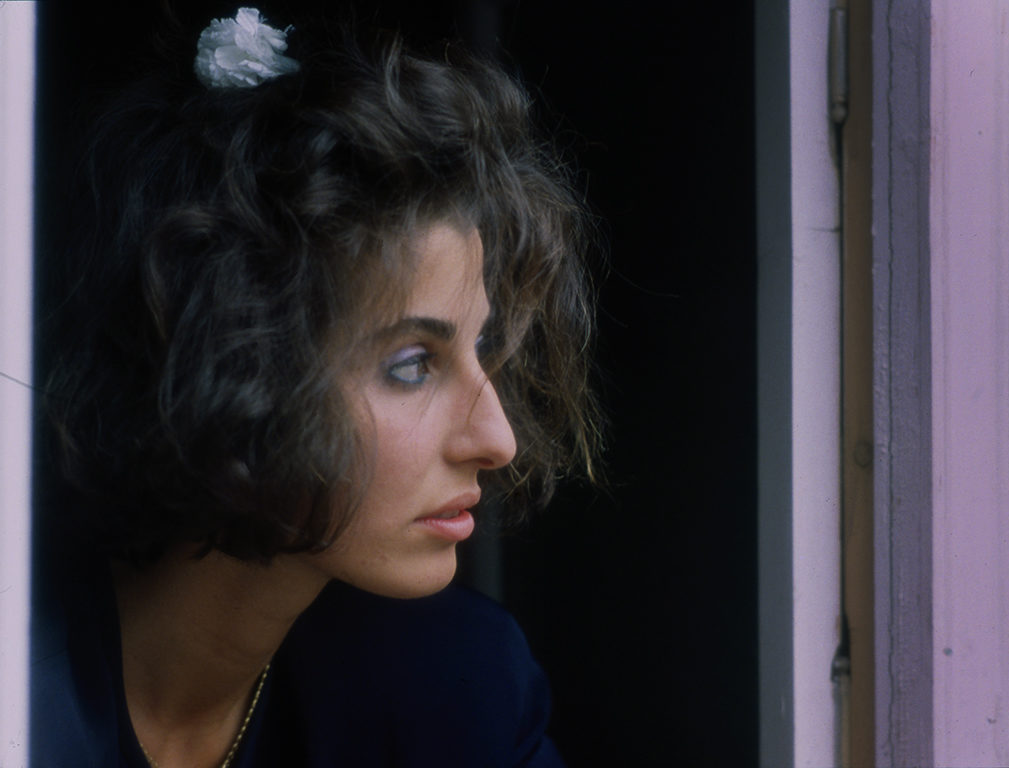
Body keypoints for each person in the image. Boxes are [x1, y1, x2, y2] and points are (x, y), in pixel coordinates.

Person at [31, 7, 601, 768]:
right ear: (233, 361)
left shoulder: (459, 689)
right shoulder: (21, 687)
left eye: (483, 348)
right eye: (413, 364)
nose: (497, 440)